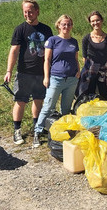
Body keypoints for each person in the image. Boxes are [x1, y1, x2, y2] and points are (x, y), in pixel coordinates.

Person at [4, 0, 53, 145]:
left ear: (37, 11)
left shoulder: (46, 29)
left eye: (30, 12)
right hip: (24, 72)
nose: (28, 14)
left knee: (39, 100)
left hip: (41, 73)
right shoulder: (20, 29)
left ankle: (37, 128)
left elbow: (51, 52)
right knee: (20, 101)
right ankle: (17, 130)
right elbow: (14, 51)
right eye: (25, 12)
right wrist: (9, 71)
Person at [33, 14, 80, 148]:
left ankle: (63, 132)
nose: (66, 26)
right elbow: (46, 60)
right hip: (55, 78)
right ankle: (37, 131)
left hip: (71, 79)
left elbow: (76, 59)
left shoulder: (74, 42)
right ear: (58, 25)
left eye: (69, 24)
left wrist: (78, 71)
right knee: (48, 106)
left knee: (66, 108)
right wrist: (46, 77)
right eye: (63, 24)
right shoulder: (52, 40)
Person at [76, 11, 107, 101]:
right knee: (88, 98)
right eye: (93, 21)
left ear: (102, 20)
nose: (95, 23)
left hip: (103, 72)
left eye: (97, 20)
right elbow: (84, 57)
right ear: (90, 23)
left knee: (105, 97)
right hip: (89, 72)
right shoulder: (86, 38)